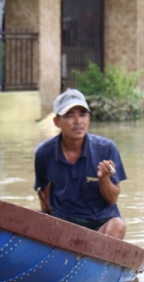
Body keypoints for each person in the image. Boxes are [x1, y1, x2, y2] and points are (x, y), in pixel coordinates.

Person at [34, 89, 127, 239]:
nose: (78, 121)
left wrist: (104, 178)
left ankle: (95, 257)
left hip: (100, 223)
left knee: (118, 226)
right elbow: (44, 196)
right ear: (57, 122)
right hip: (63, 225)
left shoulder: (106, 149)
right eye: (70, 115)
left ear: (89, 118)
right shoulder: (44, 153)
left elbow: (113, 199)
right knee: (32, 219)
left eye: (83, 114)